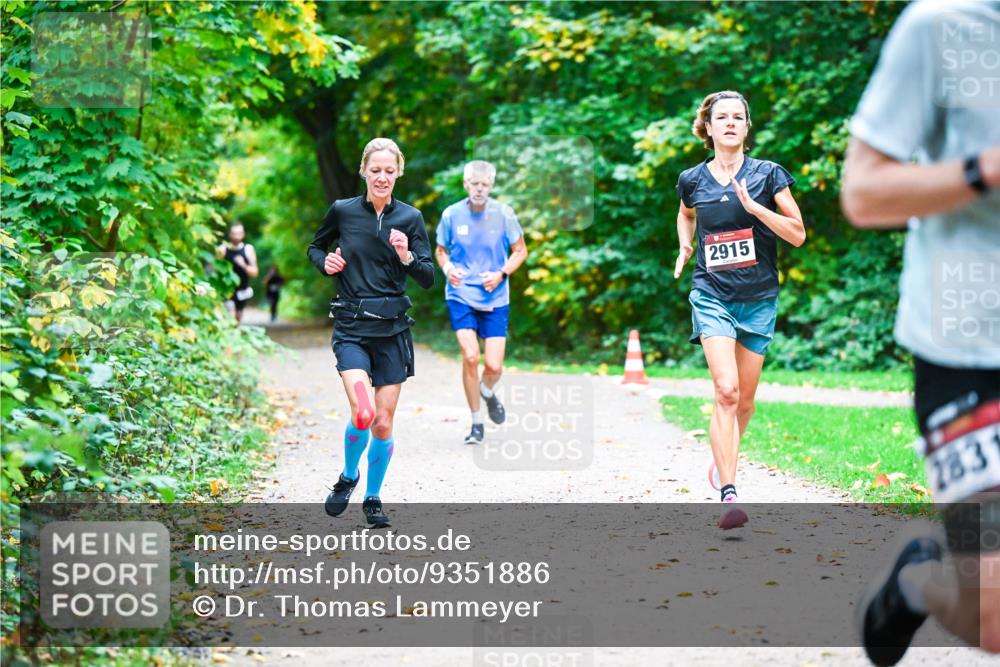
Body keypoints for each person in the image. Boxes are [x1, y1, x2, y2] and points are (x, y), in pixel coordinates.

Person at [841, 1, 1000, 663]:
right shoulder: (942, 26)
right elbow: (863, 192)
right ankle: (918, 581)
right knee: (992, 617)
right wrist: (984, 170)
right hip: (970, 352)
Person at [673, 90, 806, 530]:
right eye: (721, 117)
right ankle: (729, 493)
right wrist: (685, 245)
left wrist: (755, 209)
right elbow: (686, 214)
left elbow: (798, 234)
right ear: (708, 128)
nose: (730, 122)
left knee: (744, 402)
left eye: (738, 117)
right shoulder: (693, 179)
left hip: (759, 298)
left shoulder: (769, 176)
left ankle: (723, 456)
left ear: (747, 127)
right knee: (725, 391)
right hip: (711, 294)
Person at [307, 138, 434, 528]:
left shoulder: (410, 219)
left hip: (393, 332)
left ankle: (373, 498)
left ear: (399, 173)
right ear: (364, 171)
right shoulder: (343, 212)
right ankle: (348, 476)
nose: (382, 177)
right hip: (352, 329)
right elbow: (315, 246)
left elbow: (428, 277)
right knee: (362, 413)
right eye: (375, 170)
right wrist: (324, 261)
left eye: (389, 170)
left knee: (382, 422)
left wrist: (406, 256)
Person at [435, 160, 528, 445]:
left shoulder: (504, 214)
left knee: (494, 367)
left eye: (484, 185)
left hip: (495, 296)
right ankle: (476, 423)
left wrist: (501, 274)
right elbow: (440, 251)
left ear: (491, 185)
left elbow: (520, 251)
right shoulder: (451, 215)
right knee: (471, 356)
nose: (479, 189)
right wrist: (450, 270)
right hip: (461, 294)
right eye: (474, 184)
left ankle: (488, 393)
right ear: (465, 184)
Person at [217, 223, 259, 324]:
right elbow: (215, 269)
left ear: (243, 234)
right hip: (227, 288)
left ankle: (234, 335)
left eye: (239, 234)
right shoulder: (222, 249)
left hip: (242, 290)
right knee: (230, 313)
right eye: (234, 234)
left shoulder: (248, 249)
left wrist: (243, 265)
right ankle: (230, 335)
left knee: (238, 316)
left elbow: (255, 272)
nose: (236, 237)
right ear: (229, 234)